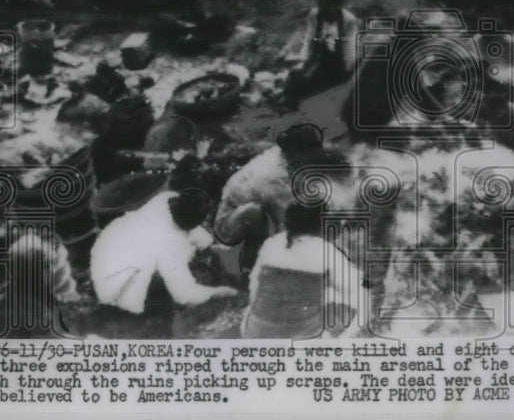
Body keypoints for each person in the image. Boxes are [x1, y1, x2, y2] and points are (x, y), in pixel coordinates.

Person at [90, 156, 236, 314]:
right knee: (152, 294)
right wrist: (219, 292)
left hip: (110, 243)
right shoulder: (169, 243)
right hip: (115, 277)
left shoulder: (167, 199)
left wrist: (210, 245)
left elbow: (191, 228)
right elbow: (185, 296)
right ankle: (124, 308)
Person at [213, 124, 355, 273]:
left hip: (267, 215)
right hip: (232, 228)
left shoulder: (292, 156)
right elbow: (289, 224)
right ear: (296, 152)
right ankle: (252, 266)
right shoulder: (272, 176)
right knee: (254, 213)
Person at [240, 202, 369, 339]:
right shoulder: (324, 249)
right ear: (320, 223)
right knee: (362, 299)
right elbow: (351, 286)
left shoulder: (272, 243)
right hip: (301, 334)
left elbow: (254, 287)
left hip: (256, 330)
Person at [284, 0, 359, 105]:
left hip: (341, 62)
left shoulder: (349, 20)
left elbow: (349, 47)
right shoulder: (315, 15)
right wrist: (306, 62)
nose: (325, 6)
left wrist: (347, 69)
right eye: (321, 2)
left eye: (329, 3)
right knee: (296, 76)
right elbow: (310, 39)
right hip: (319, 58)